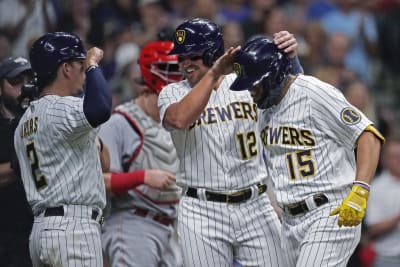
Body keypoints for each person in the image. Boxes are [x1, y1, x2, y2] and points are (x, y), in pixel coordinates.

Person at [157, 18, 302, 267]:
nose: (185, 63)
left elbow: (295, 99)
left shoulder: (246, 84)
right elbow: (179, 120)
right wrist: (213, 72)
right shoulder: (172, 92)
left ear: (213, 51)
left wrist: (292, 58)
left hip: (255, 204)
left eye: (193, 55)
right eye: (181, 57)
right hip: (202, 209)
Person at [229, 36, 384, 267]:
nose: (250, 90)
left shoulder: (313, 91)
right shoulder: (264, 108)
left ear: (273, 76)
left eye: (255, 83)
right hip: (290, 221)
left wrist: (360, 191)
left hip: (329, 211)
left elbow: (368, 135)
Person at [14, 32, 112, 267]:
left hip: (41, 230)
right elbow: (101, 108)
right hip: (73, 230)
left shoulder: (24, 122)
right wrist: (93, 65)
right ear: (66, 68)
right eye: (79, 64)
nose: (82, 72)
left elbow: (104, 162)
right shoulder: (63, 107)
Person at [100, 40, 182, 267]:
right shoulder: (119, 122)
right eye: (172, 69)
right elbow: (100, 181)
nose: (179, 75)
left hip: (171, 226)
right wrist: (142, 177)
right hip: (132, 223)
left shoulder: (181, 120)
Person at [0, 56, 33, 266]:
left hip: (41, 228)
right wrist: (24, 162)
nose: (24, 87)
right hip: (5, 232)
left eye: (29, 79)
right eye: (15, 82)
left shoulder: (42, 118)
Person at [365, 138, 400, 267]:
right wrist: (397, 218)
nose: (399, 160)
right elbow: (372, 229)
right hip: (388, 257)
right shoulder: (376, 188)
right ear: (385, 160)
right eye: (396, 156)